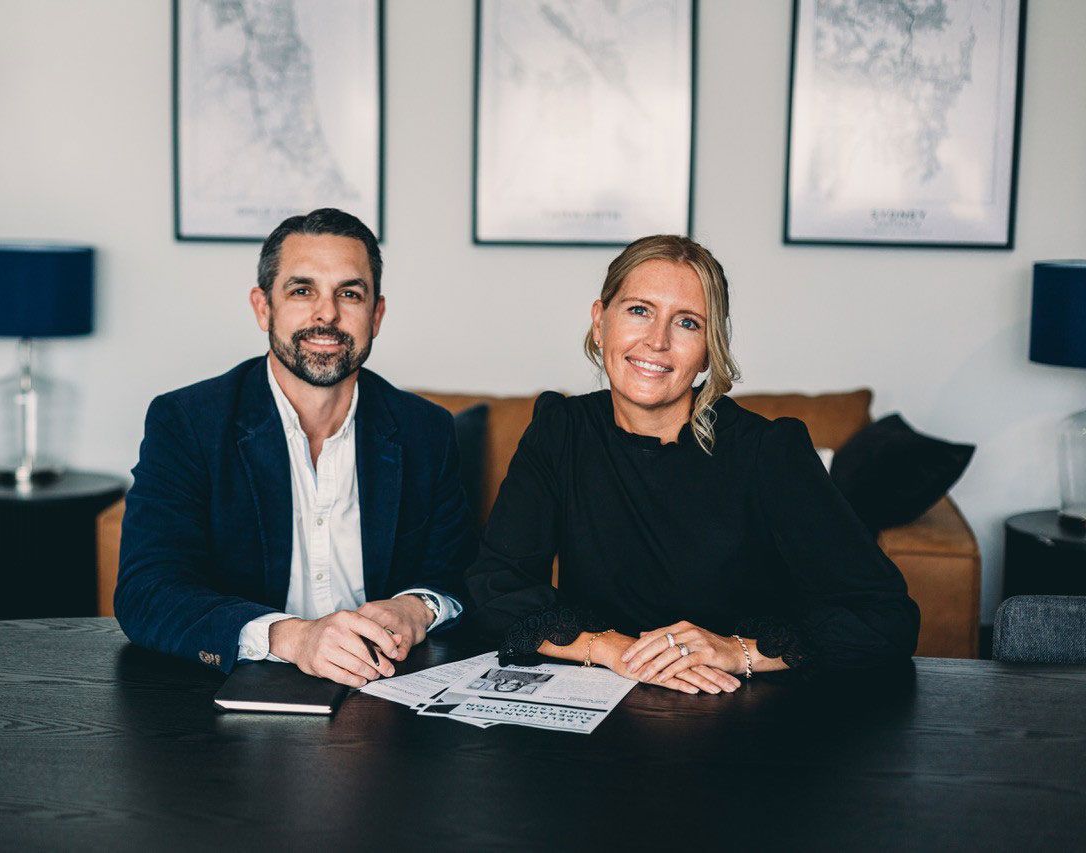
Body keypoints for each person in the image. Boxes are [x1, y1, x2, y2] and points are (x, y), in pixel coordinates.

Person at [465, 235, 919, 694]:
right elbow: (495, 588)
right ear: (600, 323)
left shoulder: (769, 452)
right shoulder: (561, 431)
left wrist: (735, 651)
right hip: (600, 702)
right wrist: (615, 650)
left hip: (739, 709)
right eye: (639, 310)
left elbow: (885, 618)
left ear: (707, 350)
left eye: (686, 323)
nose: (657, 341)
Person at [116, 208, 475, 687]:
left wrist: (417, 606)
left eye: (349, 293)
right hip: (232, 702)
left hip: (388, 697)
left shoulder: (425, 430)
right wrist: (293, 637)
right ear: (264, 307)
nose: (326, 314)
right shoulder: (187, 422)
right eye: (302, 291)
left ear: (377, 314)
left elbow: (462, 576)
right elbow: (147, 591)